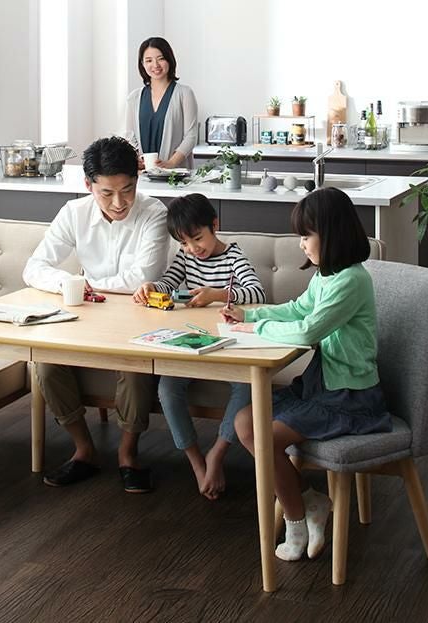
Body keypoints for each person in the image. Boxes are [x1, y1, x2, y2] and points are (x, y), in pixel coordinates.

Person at [220, 187, 392, 561]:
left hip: (349, 396)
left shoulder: (351, 280)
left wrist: (256, 329)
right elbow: (298, 309)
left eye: (305, 235)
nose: (300, 244)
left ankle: (295, 521)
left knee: (264, 435)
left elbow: (308, 330)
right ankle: (310, 500)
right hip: (320, 385)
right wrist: (249, 314)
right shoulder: (327, 276)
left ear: (331, 235)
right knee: (245, 422)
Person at [23, 136, 169, 493]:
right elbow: (34, 268)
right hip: (86, 318)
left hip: (138, 317)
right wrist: (69, 283)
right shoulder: (74, 213)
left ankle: (127, 454)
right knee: (46, 364)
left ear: (137, 180)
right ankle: (84, 449)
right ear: (88, 185)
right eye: (107, 193)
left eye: (127, 190)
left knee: (134, 366)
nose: (119, 203)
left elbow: (142, 278)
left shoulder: (155, 213)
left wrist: (86, 284)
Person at [133, 193, 266, 500]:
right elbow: (168, 282)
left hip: (229, 345)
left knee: (246, 386)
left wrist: (216, 294)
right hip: (192, 343)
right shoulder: (186, 258)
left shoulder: (233, 256)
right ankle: (196, 461)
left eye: (197, 238)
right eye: (184, 243)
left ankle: (217, 454)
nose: (193, 248)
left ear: (214, 226)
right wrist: (151, 287)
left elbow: (257, 293)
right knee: (167, 388)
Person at [125, 37, 198, 170]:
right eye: (149, 60)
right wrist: (135, 159)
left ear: (169, 60)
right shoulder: (134, 98)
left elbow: (191, 136)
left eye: (161, 58)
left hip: (175, 173)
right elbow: (130, 137)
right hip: (144, 173)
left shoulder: (184, 93)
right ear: (142, 64)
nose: (155, 65)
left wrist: (171, 163)